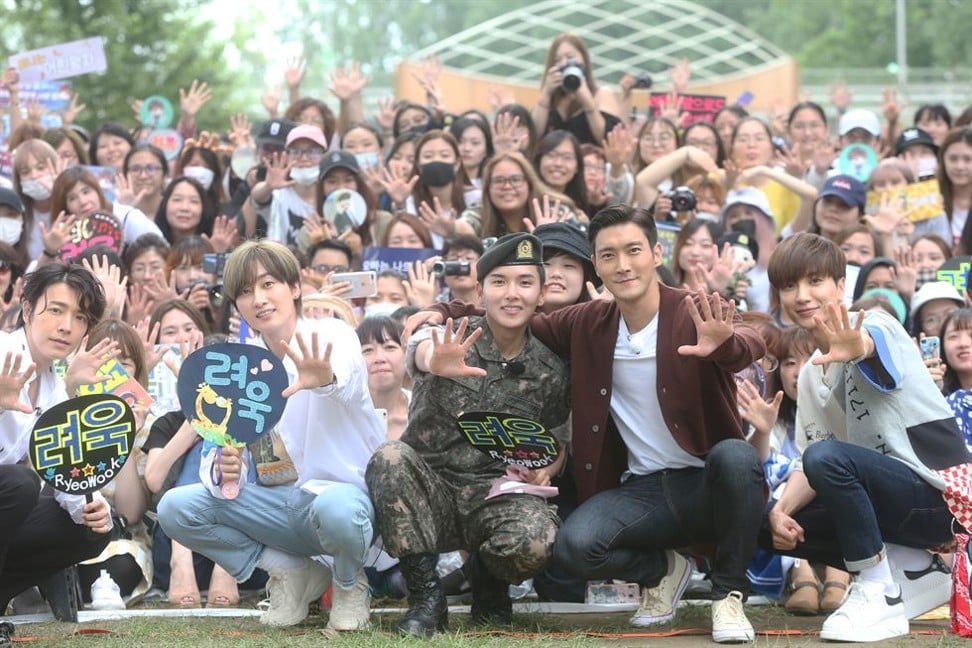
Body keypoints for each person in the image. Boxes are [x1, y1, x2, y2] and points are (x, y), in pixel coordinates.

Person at [417, 205, 767, 642]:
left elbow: (754, 337)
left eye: (633, 250)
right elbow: (515, 312)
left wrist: (725, 344)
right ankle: (664, 571)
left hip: (708, 483)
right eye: (608, 255)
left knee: (736, 456)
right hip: (645, 489)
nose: (622, 265)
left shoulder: (692, 312)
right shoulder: (588, 322)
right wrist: (443, 309)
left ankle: (728, 597)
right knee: (574, 546)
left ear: (657, 253)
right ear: (596, 267)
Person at [158, 240, 385, 630]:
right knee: (176, 508)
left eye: (268, 284)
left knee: (338, 510)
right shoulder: (239, 362)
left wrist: (323, 378)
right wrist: (227, 469)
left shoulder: (331, 332)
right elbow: (226, 452)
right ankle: (291, 574)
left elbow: (347, 382)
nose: (258, 299)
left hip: (345, 501)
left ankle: (349, 585)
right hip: (278, 508)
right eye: (245, 292)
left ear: (294, 287)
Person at [762, 232, 968, 642]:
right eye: (789, 285)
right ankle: (913, 572)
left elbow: (869, 346)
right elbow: (808, 462)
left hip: (942, 498)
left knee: (830, 458)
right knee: (763, 520)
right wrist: (779, 509)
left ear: (841, 286)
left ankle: (876, 592)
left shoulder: (878, 324)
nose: (802, 295)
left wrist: (856, 344)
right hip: (891, 502)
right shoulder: (808, 375)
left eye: (815, 281)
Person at [366, 233, 570, 637]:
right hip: (430, 490)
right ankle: (426, 600)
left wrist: (548, 468)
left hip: (495, 494)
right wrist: (435, 359)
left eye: (525, 283)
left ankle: (488, 584)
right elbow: (419, 350)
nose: (512, 295)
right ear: (480, 290)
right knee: (390, 457)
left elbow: (556, 440)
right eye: (499, 282)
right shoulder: (447, 334)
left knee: (535, 540)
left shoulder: (549, 368)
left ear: (542, 293)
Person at [0, 263, 114, 623]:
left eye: (79, 317)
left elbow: (65, 472)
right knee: (20, 484)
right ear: (28, 309)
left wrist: (90, 510)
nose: (66, 326)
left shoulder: (54, 385)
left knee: (94, 528)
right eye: (56, 310)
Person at [531, 33, 621, 145]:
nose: (564, 63)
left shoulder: (601, 94)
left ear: (584, 59)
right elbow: (532, 136)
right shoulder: (549, 100)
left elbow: (610, 139)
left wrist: (588, 102)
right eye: (557, 60)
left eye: (570, 57)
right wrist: (546, 94)